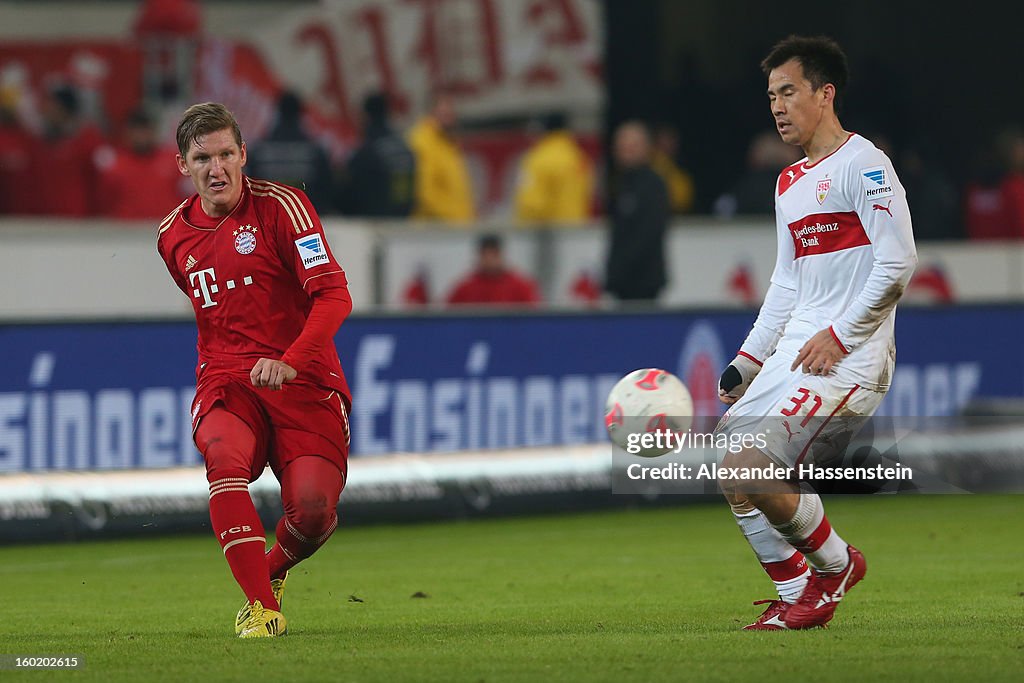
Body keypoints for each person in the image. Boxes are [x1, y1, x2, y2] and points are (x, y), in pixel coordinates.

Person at [715, 36, 916, 630]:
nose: (777, 106)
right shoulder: (789, 183)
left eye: (789, 92)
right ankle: (797, 586)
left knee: (752, 464)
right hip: (798, 350)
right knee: (730, 459)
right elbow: (786, 281)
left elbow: (898, 262)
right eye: (771, 95)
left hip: (849, 357)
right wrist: (748, 363)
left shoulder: (867, 165)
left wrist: (842, 333)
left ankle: (831, 570)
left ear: (825, 94)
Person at [156, 103, 353, 638]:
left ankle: (265, 574)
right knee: (223, 458)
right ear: (183, 165)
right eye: (202, 158)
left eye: (225, 154)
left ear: (244, 155)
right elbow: (216, 322)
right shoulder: (171, 237)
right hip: (226, 378)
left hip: (302, 378)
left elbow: (334, 297)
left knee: (313, 512)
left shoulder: (285, 208)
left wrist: (289, 361)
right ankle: (263, 611)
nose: (216, 168)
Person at [604, 121, 669, 301]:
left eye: (631, 147)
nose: (625, 152)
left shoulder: (653, 185)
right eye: (621, 147)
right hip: (623, 284)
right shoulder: (621, 184)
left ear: (646, 148)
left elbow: (649, 233)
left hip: (643, 282)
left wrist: (621, 270)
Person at [246, 91, 334, 213]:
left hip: (268, 218)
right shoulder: (315, 152)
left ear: (278, 112)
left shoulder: (259, 151)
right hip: (306, 219)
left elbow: (249, 188)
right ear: (300, 114)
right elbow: (326, 190)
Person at [96, 107, 185, 219]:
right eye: (136, 131)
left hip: (168, 229)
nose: (141, 136)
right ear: (127, 133)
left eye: (145, 130)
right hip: (128, 231)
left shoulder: (174, 161)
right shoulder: (115, 166)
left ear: (154, 131)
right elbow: (105, 204)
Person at [336, 92, 415, 217]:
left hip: (373, 226)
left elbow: (350, 196)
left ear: (366, 116)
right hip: (405, 225)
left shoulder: (366, 153)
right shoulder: (405, 149)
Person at [407, 91, 475, 223]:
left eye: (451, 114)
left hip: (450, 228)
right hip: (432, 231)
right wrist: (458, 216)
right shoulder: (422, 142)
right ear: (430, 113)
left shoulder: (447, 144)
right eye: (444, 114)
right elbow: (425, 193)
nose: (449, 120)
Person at [514, 111, 592, 224]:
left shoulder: (539, 159)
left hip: (548, 234)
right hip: (578, 232)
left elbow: (531, 204)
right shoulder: (578, 157)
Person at [446, 234, 540, 306]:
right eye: (485, 255)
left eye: (494, 254)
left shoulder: (521, 286)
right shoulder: (465, 288)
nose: (489, 259)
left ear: (501, 255)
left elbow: (534, 316)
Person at [650, 124, 695, 214]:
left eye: (670, 142)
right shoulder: (645, 169)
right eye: (661, 143)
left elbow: (682, 202)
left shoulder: (680, 174)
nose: (666, 147)